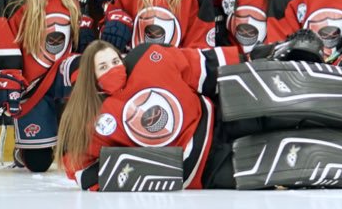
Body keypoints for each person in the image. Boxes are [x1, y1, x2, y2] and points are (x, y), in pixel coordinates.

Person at [56, 39, 244, 190]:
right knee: (259, 172)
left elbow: (202, 64)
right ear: (91, 76)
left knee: (267, 118)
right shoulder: (90, 116)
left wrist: (250, 58)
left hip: (217, 120)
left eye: (115, 62)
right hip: (200, 168)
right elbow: (79, 167)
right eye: (103, 67)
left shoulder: (147, 59)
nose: (113, 69)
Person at [0, 0, 93, 173]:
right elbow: (3, 38)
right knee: (38, 164)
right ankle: (29, 147)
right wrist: (10, 77)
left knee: (82, 69)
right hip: (31, 86)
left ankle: (78, 134)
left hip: (61, 76)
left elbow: (77, 42)